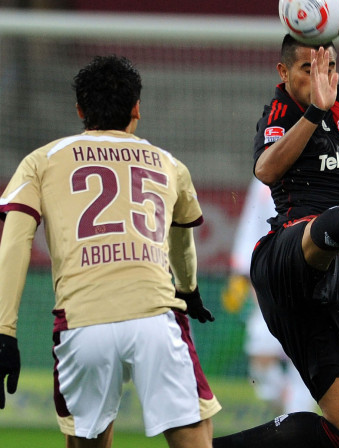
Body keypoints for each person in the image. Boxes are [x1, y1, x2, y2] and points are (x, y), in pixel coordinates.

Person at [211, 1, 339, 446]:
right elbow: (265, 170)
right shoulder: (280, 112)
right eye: (308, 68)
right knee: (322, 228)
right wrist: (314, 113)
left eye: (330, 67)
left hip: (325, 282)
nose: (321, 78)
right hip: (285, 254)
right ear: (283, 73)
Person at [0, 55, 220, 447]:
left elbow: (15, 242)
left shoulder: (41, 161)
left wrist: (5, 331)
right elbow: (181, 238)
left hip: (82, 322)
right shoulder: (170, 164)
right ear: (137, 108)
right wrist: (187, 288)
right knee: (195, 438)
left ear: (80, 110)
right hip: (155, 316)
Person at [221, 178, 339, 415]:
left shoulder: (328, 176)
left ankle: (296, 420)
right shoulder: (266, 177)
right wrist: (240, 274)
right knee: (261, 361)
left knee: (308, 366)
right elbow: (252, 225)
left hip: (315, 290)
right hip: (274, 288)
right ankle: (286, 409)